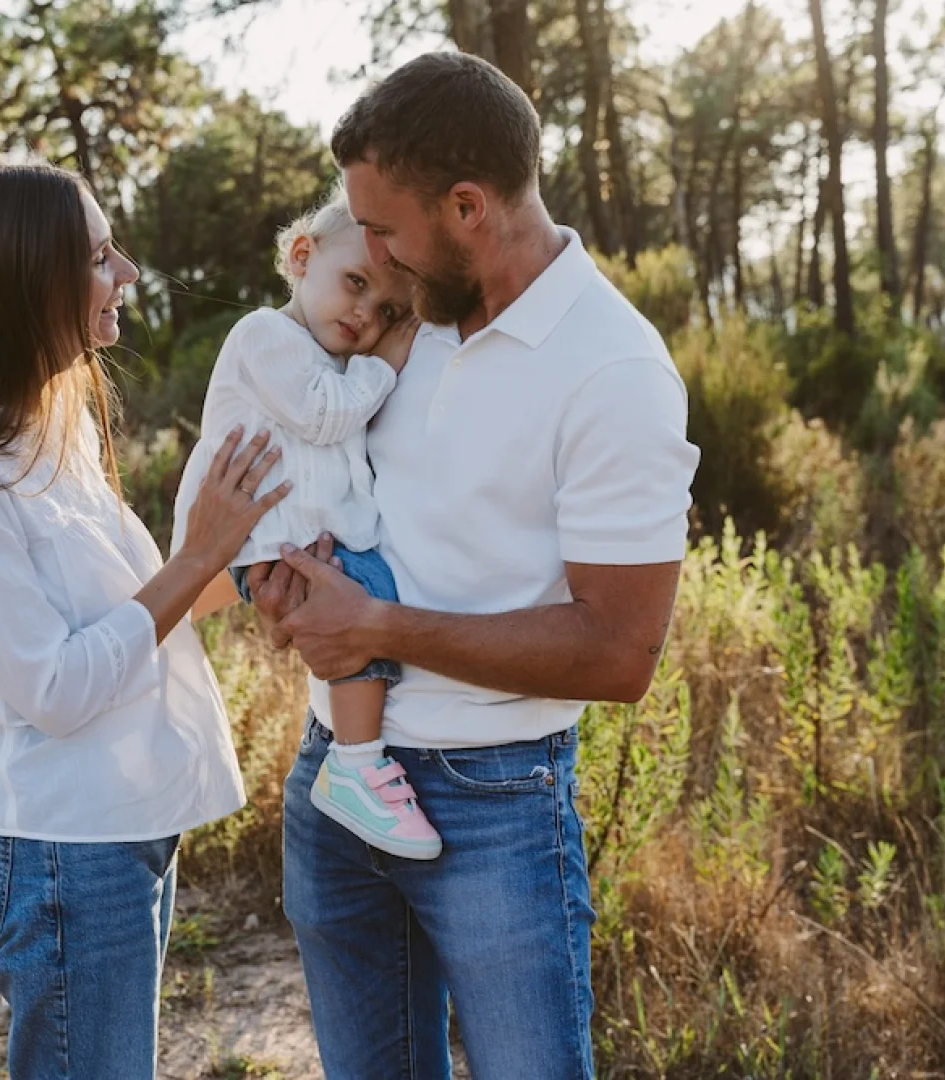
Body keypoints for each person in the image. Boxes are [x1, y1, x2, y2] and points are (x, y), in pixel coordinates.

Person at [248, 52, 702, 1079]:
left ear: (466, 207)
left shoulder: (614, 369)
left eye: (383, 228)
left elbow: (619, 652)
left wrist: (377, 628)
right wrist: (290, 582)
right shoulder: (399, 316)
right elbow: (333, 484)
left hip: (493, 802)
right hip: (335, 773)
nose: (367, 252)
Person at [0, 157, 289, 1080]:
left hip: (128, 826)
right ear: (23, 281)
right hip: (65, 850)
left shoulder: (49, 426)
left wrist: (251, 568)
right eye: (100, 257)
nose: (127, 274)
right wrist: (197, 554)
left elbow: (134, 616)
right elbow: (56, 688)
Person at [169, 189, 441, 860]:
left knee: (359, 605)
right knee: (367, 599)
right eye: (356, 283)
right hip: (265, 539)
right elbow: (323, 417)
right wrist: (384, 364)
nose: (365, 314)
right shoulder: (265, 335)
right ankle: (356, 762)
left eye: (387, 311)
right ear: (300, 257)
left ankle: (354, 759)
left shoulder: (333, 362)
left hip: (291, 541)